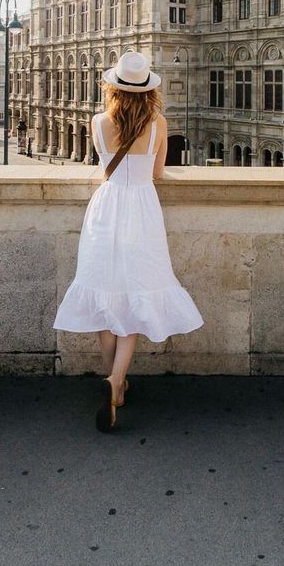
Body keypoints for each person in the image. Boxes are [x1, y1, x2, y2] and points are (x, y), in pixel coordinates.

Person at [52, 50, 204, 432]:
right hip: (141, 209)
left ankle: (114, 385)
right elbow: (156, 172)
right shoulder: (158, 124)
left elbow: (104, 168)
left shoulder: (97, 122)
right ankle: (116, 381)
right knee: (136, 294)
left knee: (106, 292)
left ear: (112, 88)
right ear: (148, 90)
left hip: (106, 207)